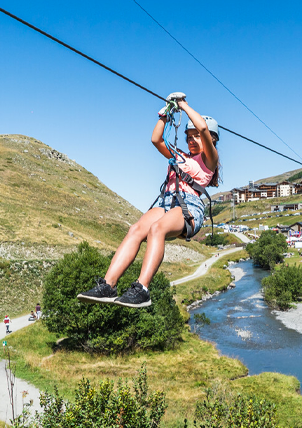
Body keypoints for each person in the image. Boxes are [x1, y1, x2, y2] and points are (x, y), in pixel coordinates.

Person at [77, 93, 220, 309]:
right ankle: (108, 285)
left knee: (156, 229)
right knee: (135, 229)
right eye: (188, 136)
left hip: (189, 206)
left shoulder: (210, 159)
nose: (191, 139)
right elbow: (156, 140)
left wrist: (183, 106)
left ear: (211, 140)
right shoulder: (180, 156)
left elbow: (202, 129)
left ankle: (142, 289)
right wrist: (165, 113)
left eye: (195, 137)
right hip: (166, 202)